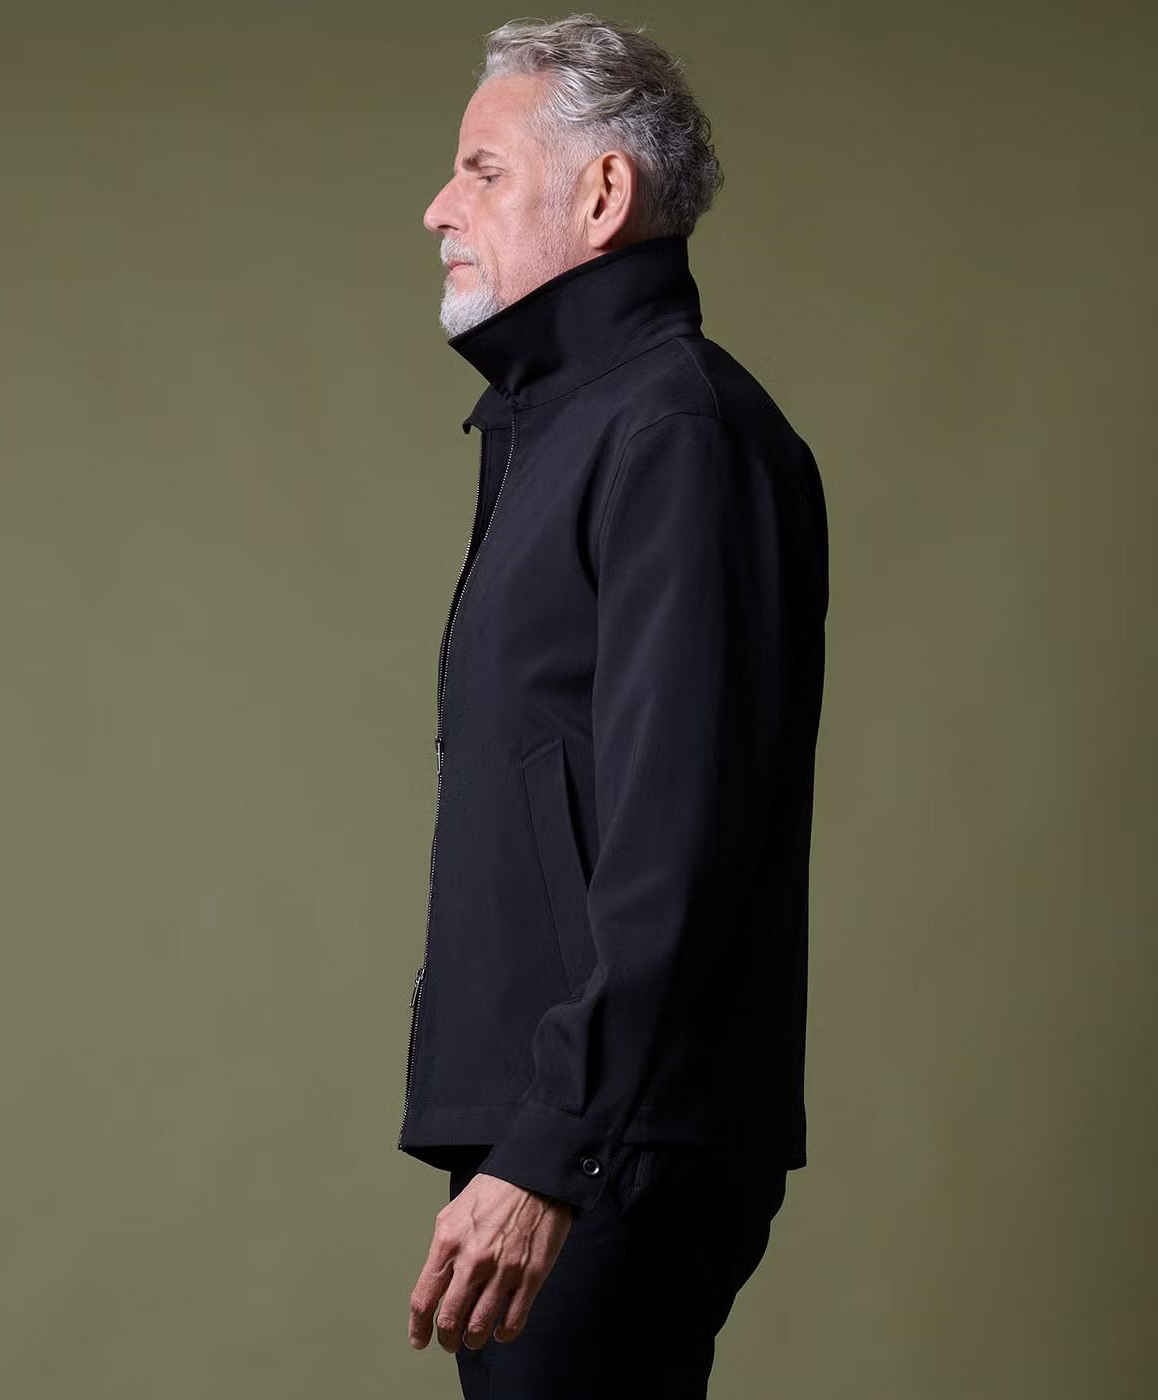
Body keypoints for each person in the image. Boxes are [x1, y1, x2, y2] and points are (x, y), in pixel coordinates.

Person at [400, 15, 829, 1397]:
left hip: (604, 1147)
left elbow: (679, 832)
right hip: (569, 1127)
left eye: (481, 170)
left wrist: (556, 1146)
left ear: (601, 195)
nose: (438, 207)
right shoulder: (576, 427)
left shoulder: (674, 433)